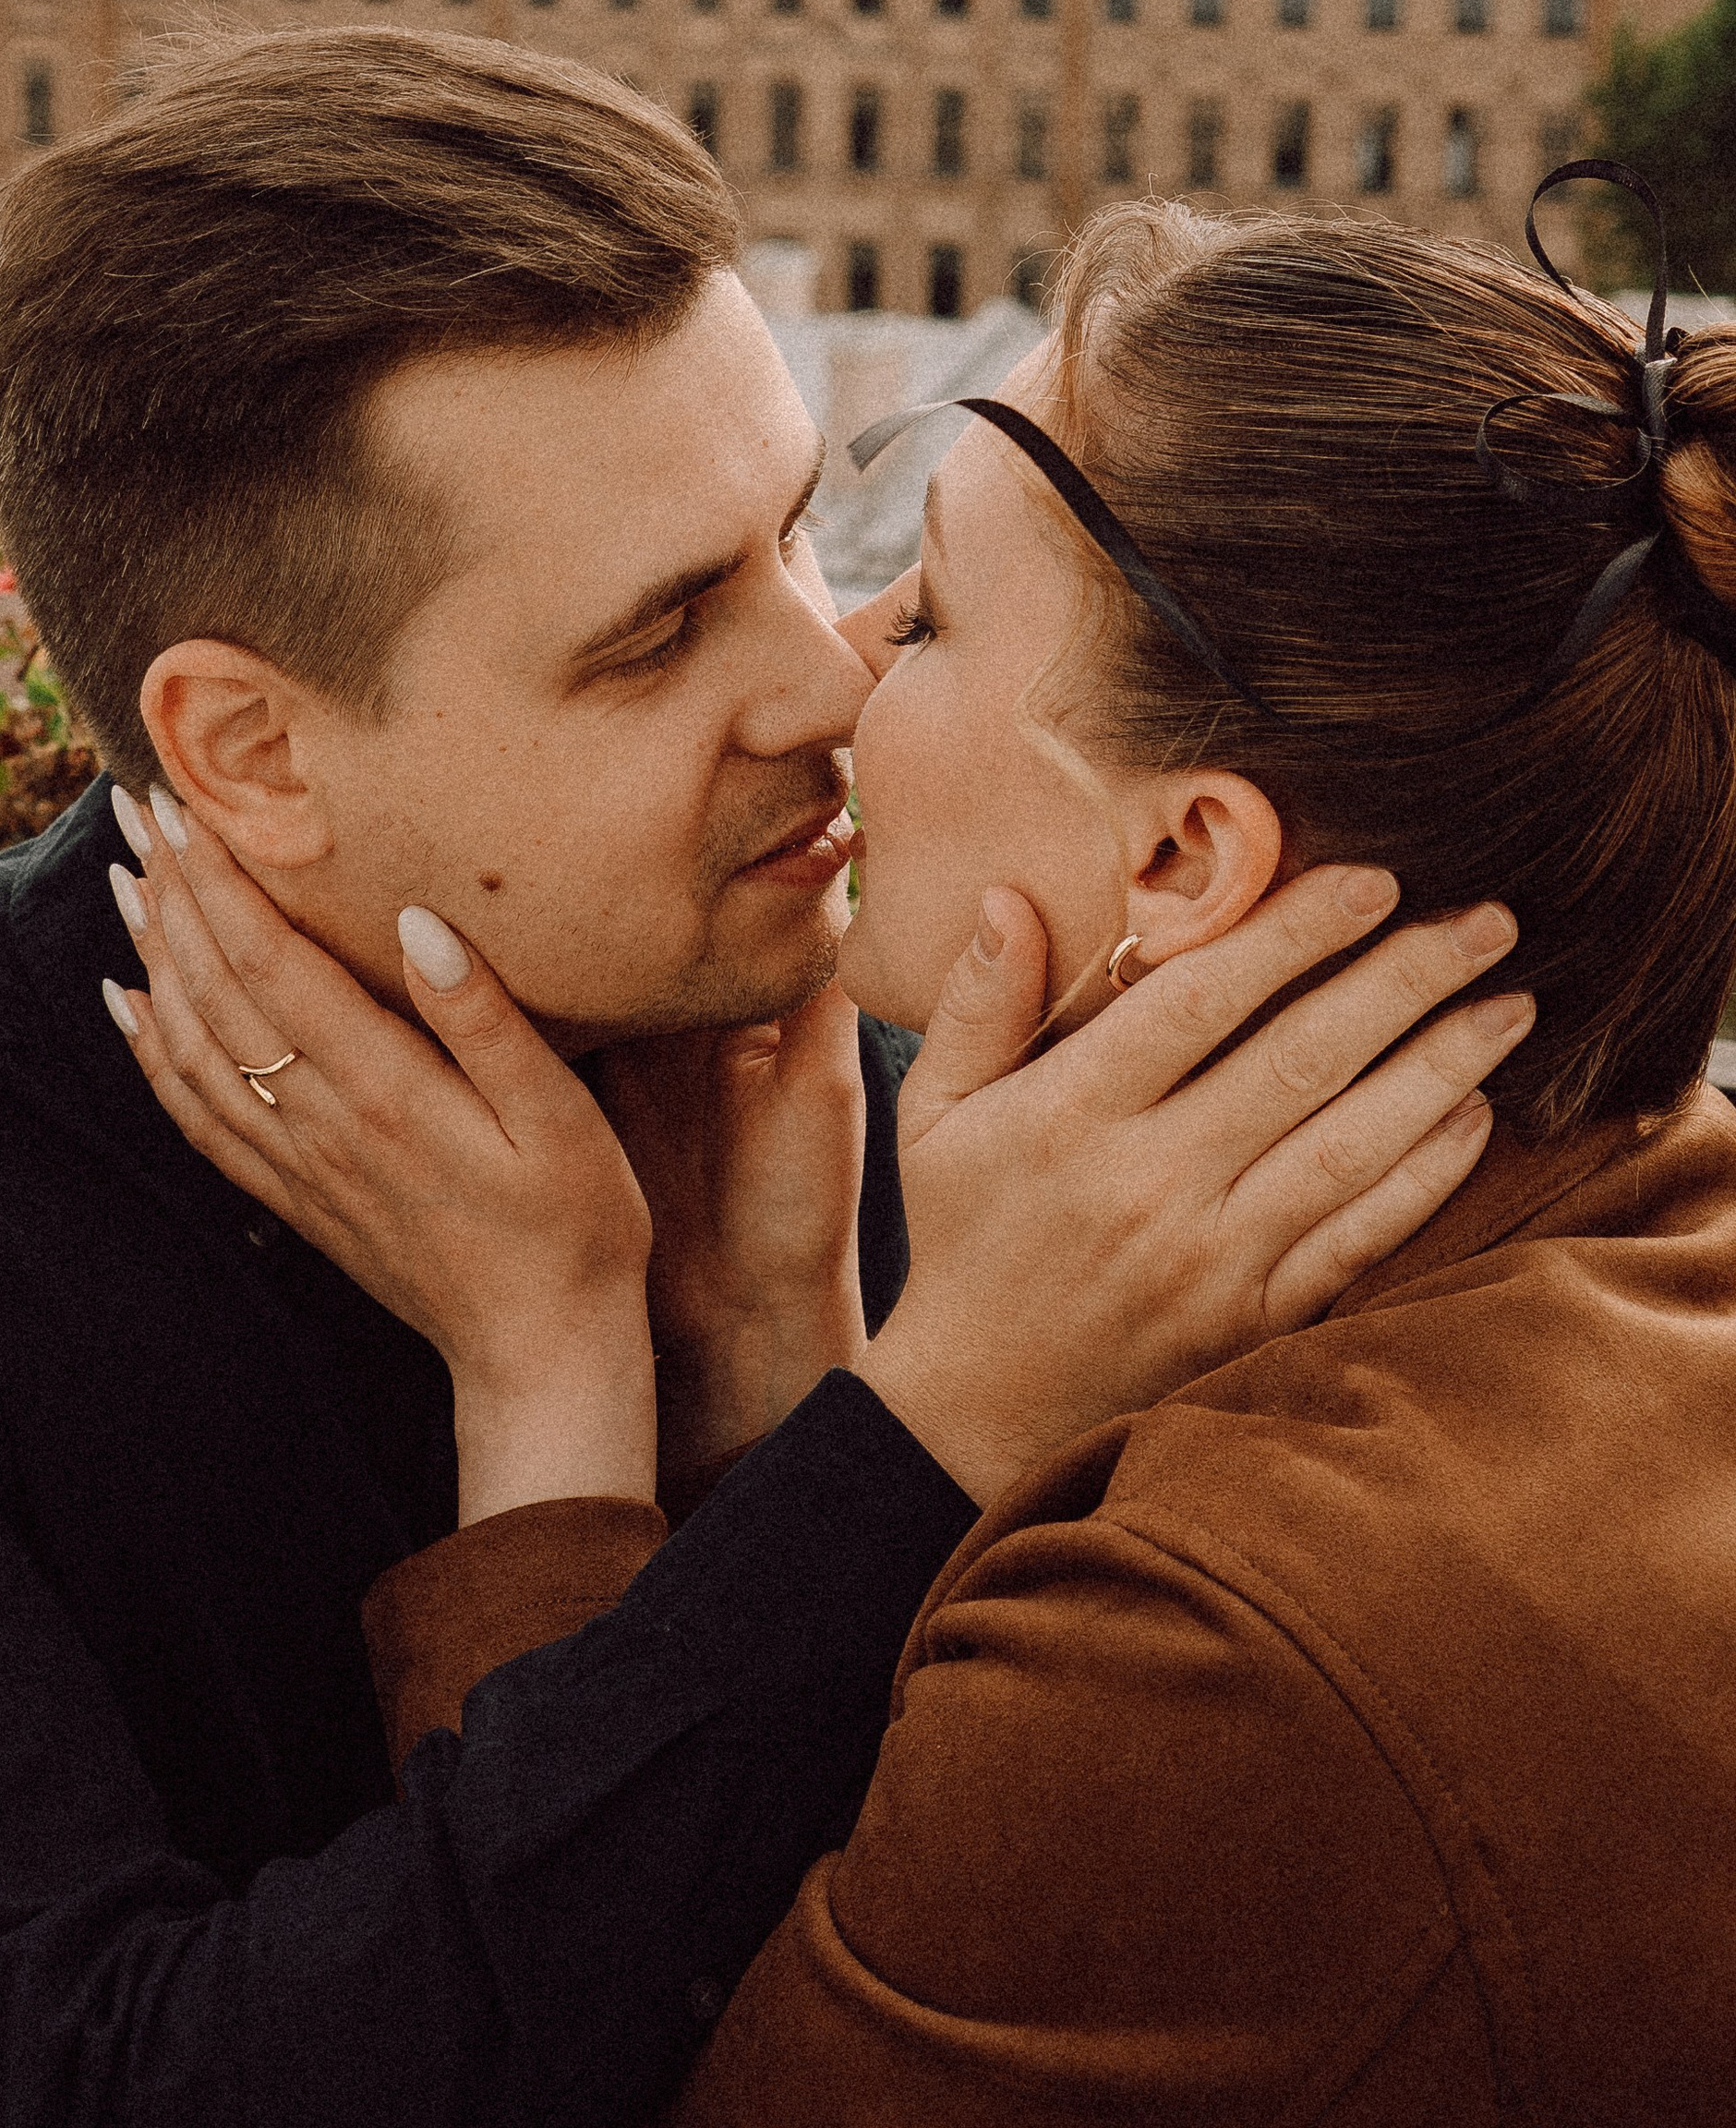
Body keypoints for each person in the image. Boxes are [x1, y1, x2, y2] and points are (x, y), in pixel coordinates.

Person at [0, 32, 1515, 2127]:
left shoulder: (879, 1078)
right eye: (655, 637)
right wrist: (916, 1434)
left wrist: (760, 1388)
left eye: (795, 534)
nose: (822, 678)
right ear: (249, 753)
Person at [120, 162, 1736, 2127]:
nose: (840, 666)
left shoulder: (1222, 1658)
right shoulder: (1623, 1253)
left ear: (1179, 855)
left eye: (943, 613)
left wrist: (546, 1385)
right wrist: (795, 1386)